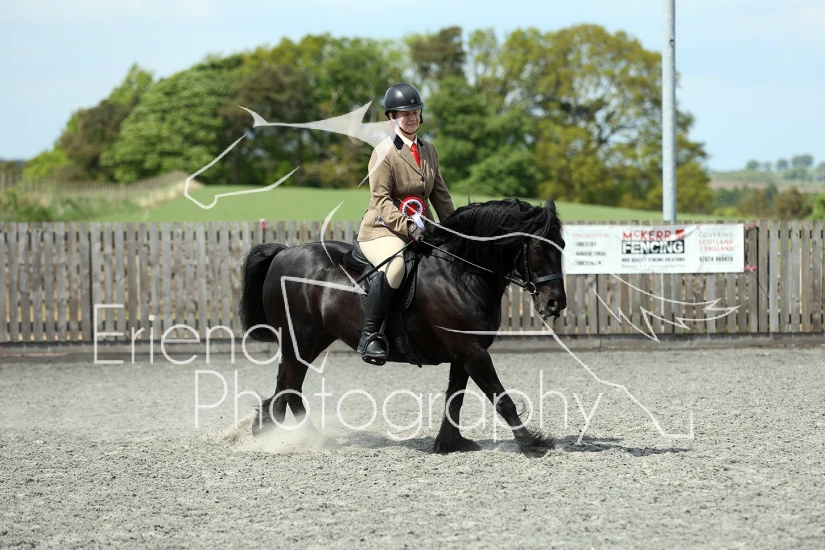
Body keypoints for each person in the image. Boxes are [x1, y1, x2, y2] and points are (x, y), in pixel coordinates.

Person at [356, 83, 456, 364]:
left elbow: (441, 196)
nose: (412, 118)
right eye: (405, 114)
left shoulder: (428, 150)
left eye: (415, 112)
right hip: (382, 229)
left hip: (422, 230)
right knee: (396, 266)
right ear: (392, 117)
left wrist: (455, 229)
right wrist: (409, 227)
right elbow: (381, 200)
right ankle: (370, 336)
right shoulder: (383, 152)